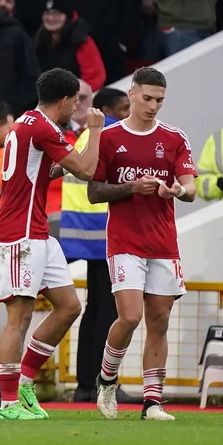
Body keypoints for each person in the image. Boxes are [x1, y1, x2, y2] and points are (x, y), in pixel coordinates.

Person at [0, 67, 105, 420]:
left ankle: (24, 382)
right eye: (78, 101)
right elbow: (86, 170)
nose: (79, 108)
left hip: (36, 230)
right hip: (18, 232)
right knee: (18, 318)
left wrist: (63, 163)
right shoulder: (41, 127)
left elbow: (43, 167)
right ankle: (8, 404)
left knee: (69, 306)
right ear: (67, 100)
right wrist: (95, 130)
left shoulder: (29, 122)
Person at [88, 68, 197, 421]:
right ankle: (106, 380)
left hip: (164, 242)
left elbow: (190, 188)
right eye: (148, 98)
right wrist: (133, 188)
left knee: (159, 321)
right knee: (130, 316)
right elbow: (94, 192)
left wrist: (176, 190)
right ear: (132, 95)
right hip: (124, 241)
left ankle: (152, 402)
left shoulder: (174, 137)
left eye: (160, 100)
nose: (153, 106)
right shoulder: (108, 137)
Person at [59, 87, 130, 403]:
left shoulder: (87, 136)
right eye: (124, 106)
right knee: (111, 312)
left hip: (86, 234)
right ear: (106, 109)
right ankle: (103, 385)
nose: (129, 112)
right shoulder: (113, 133)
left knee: (96, 310)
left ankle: (86, 384)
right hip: (107, 232)